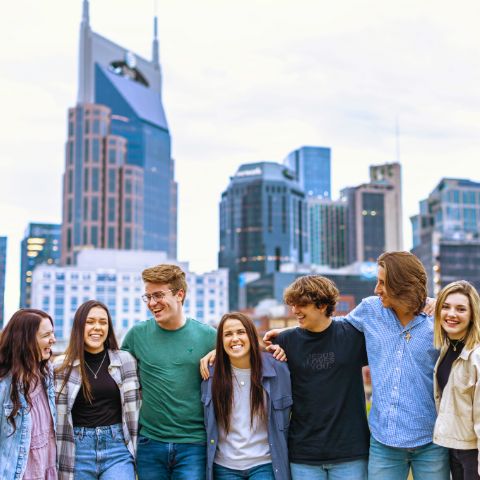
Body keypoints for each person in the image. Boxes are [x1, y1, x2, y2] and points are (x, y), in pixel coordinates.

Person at [264, 251, 450, 480]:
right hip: (384, 443)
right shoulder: (370, 310)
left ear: (401, 284)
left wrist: (433, 302)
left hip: (430, 440)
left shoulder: (438, 321)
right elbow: (331, 327)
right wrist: (288, 334)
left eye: (382, 282)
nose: (376, 289)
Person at [122, 263, 217, 479]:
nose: (152, 303)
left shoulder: (209, 336)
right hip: (149, 443)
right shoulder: (137, 335)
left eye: (158, 295)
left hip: (193, 444)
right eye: (147, 297)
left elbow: (245, 361)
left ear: (180, 294)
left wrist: (220, 353)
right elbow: (111, 369)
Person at [278, 275, 369, 479]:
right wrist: (215, 353)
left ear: (321, 305)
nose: (295, 311)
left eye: (301, 304)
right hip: (303, 455)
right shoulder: (285, 341)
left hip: (351, 453)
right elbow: (249, 358)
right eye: (292, 305)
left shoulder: (353, 336)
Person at [54, 300, 140, 480]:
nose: (97, 327)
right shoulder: (60, 367)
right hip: (76, 451)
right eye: (90, 321)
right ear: (79, 326)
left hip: (117, 448)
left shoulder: (126, 361)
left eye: (103, 322)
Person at [202, 312, 291, 480]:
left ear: (251, 335)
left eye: (241, 332)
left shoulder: (277, 367)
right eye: (228, 334)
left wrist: (278, 347)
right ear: (221, 341)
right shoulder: (210, 374)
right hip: (224, 466)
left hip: (264, 464)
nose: (235, 338)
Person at [0, 309, 57, 480]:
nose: (53, 339)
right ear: (26, 340)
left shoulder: (47, 374)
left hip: (48, 469)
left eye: (52, 333)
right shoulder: (4, 384)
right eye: (46, 335)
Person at [432, 280, 480, 479]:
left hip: (473, 453)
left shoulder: (476, 355)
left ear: (472, 315)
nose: (451, 314)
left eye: (461, 309)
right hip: (454, 447)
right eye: (446, 307)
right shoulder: (447, 348)